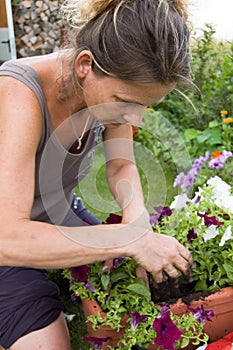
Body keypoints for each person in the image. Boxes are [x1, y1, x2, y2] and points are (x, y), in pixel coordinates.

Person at [0, 0, 193, 349]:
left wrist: (137, 224)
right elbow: (7, 238)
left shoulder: (108, 93)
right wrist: (127, 240)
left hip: (56, 214)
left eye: (144, 107)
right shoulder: (19, 93)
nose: (134, 120)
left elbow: (121, 164)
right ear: (85, 65)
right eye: (124, 101)